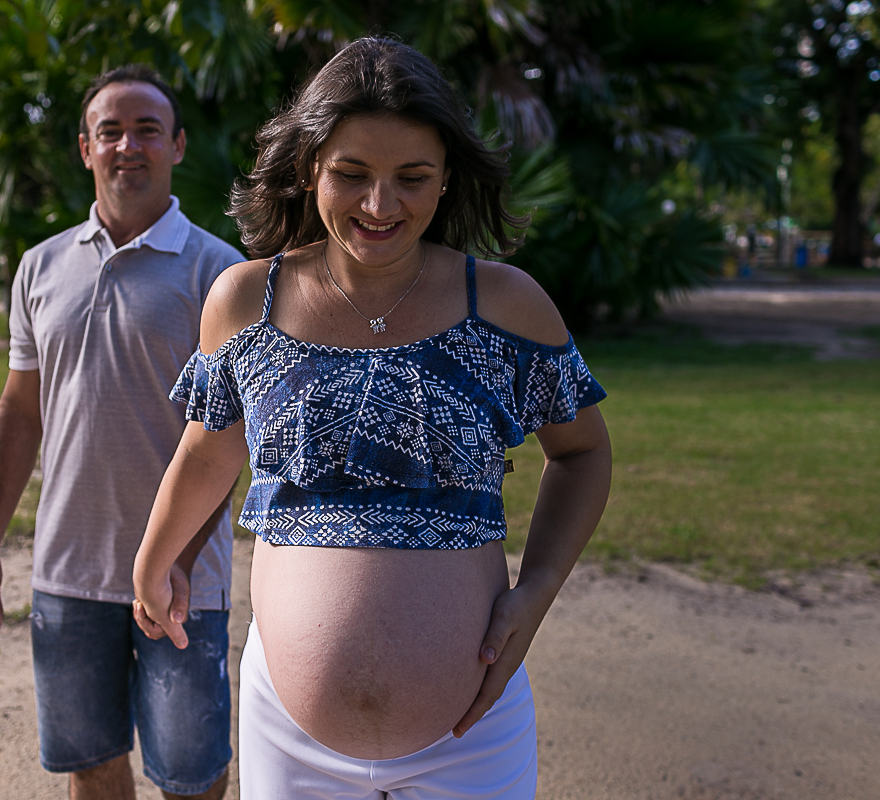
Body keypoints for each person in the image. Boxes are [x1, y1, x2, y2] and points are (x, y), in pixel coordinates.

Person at [133, 38, 612, 799]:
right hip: (288, 736)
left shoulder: (508, 305)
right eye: (351, 174)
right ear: (306, 168)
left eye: (412, 178)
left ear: (447, 176)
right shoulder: (242, 302)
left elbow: (584, 452)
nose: (380, 204)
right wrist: (154, 557)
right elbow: (209, 448)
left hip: (472, 736)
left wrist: (539, 589)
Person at [0, 64, 242, 800]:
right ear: (85, 148)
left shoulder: (220, 272)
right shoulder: (40, 266)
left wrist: (178, 557)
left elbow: (226, 439)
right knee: (90, 762)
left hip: (183, 578)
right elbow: (20, 413)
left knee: (192, 775)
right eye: (109, 131)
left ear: (177, 145)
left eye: (147, 129)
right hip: (67, 574)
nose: (128, 145)